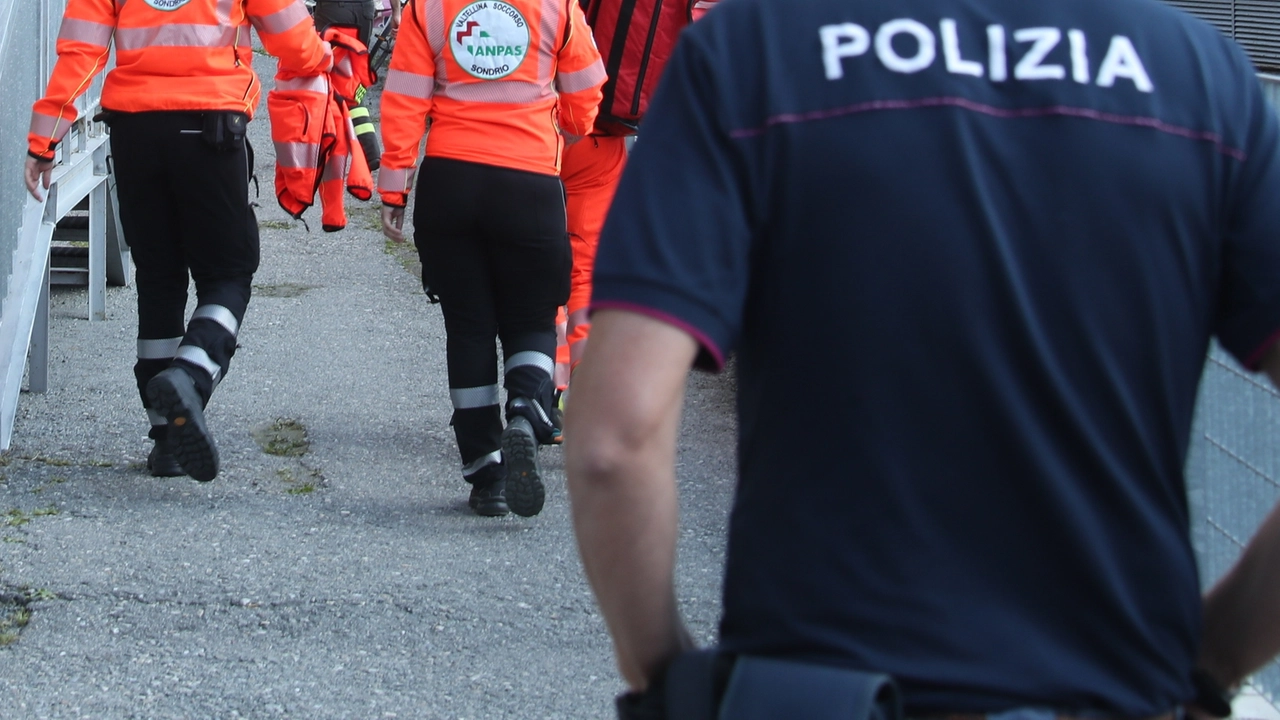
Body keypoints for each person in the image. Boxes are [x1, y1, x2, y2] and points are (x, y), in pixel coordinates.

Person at [565, 0, 1280, 716]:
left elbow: (616, 440)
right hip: (1114, 688)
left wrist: (663, 671)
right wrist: (1212, 658)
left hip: (815, 690)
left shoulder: (751, 52)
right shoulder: (1201, 80)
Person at [25, 0, 332, 481]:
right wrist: (322, 60)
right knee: (229, 272)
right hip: (210, 127)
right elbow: (292, 39)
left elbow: (81, 51)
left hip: (135, 130)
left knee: (159, 275)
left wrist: (44, 140)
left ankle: (167, 440)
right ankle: (190, 373)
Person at [378, 0, 605, 517]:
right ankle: (526, 408)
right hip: (529, 183)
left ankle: (486, 473)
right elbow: (588, 88)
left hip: (450, 181)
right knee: (532, 319)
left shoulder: (429, 8)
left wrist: (394, 189)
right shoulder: (557, 6)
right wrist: (569, 124)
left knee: (469, 329)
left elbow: (405, 97)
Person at [309, 0, 401, 169]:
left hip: (333, 10)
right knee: (352, 78)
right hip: (364, 12)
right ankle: (367, 149)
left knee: (332, 80)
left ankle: (338, 148)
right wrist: (396, 11)